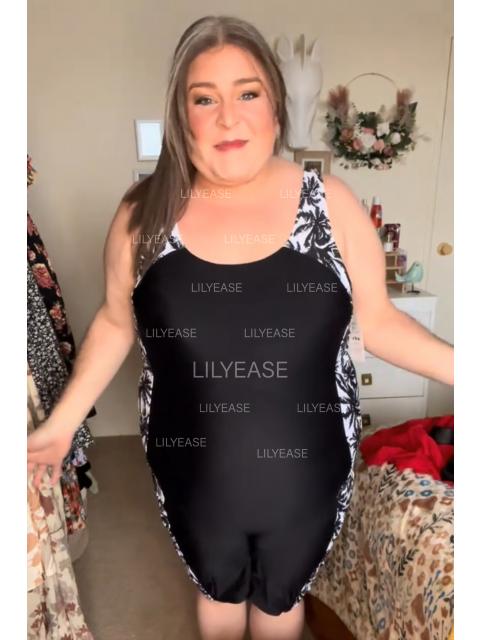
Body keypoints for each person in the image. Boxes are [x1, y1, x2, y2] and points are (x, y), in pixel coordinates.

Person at [27, 14, 454, 640]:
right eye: (205, 99)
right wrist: (62, 425)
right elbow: (117, 323)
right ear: (182, 116)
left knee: (282, 599)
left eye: (247, 93)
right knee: (216, 587)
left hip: (308, 463)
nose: (229, 118)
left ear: (275, 104)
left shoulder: (329, 203)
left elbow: (381, 322)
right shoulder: (143, 214)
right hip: (193, 464)